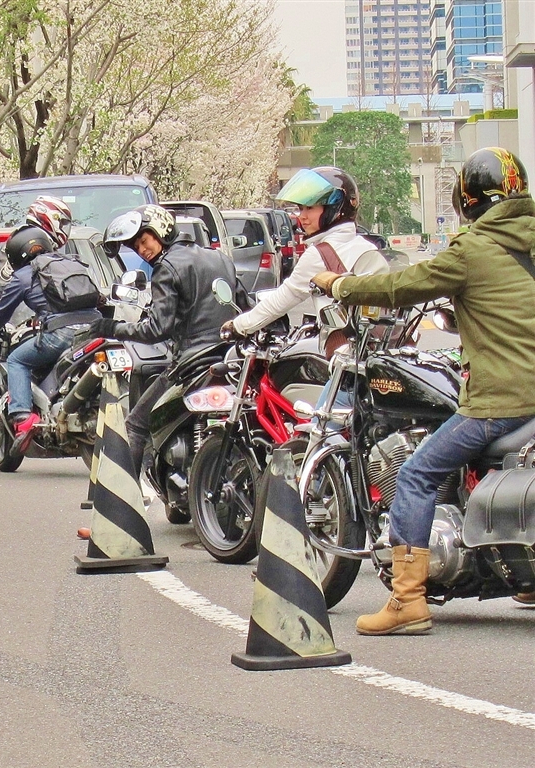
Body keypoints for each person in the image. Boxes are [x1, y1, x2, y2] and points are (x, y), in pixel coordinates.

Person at [311, 147, 535, 635]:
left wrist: (340, 286)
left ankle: (407, 600)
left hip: (502, 398)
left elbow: (401, 286)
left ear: (468, 199)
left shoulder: (472, 249)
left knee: (415, 474)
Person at [90, 204, 243, 474]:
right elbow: (244, 305)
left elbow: (156, 329)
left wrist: (113, 328)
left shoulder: (167, 267)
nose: (142, 250)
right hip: (231, 359)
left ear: (160, 231)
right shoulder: (220, 259)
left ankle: (126, 496)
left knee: (135, 424)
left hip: (192, 363)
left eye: (144, 240)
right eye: (136, 247)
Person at [222, 166, 388, 348]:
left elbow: (284, 298)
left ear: (335, 208)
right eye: (301, 209)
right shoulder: (366, 246)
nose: (302, 217)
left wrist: (238, 326)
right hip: (377, 347)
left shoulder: (319, 254)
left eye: (310, 208)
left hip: (345, 352)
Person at [0, 225, 88, 451]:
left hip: (61, 334)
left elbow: (0, 314)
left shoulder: (24, 275)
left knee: (17, 360)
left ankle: (23, 419)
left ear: (16, 255)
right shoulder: (73, 263)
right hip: (93, 330)